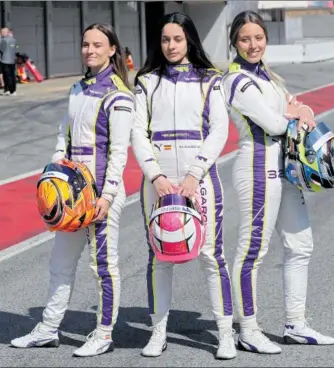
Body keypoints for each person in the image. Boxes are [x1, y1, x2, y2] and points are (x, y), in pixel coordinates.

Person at [10, 23, 134, 357]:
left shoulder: (120, 95)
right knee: (60, 264)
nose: (90, 50)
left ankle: (104, 333)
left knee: (103, 267)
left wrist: (107, 197)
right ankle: (48, 329)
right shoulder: (77, 89)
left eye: (97, 45)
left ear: (112, 50)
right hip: (70, 195)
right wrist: (52, 178)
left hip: (101, 197)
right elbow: (62, 139)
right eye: (85, 44)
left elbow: (120, 152)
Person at [220, 10, 334, 354]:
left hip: (284, 169)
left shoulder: (268, 76)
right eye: (245, 39)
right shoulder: (237, 80)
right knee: (252, 249)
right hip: (256, 167)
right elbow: (273, 123)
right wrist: (297, 114)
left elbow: (293, 106)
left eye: (258, 38)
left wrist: (301, 110)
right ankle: (248, 329)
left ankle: (295, 324)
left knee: (301, 245)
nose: (253, 44)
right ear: (234, 42)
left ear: (266, 39)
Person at [131, 12, 236, 360]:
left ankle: (224, 333)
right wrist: (155, 176)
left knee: (211, 255)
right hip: (156, 182)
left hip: (200, 179)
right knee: (159, 257)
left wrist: (194, 174)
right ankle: (157, 332)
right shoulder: (146, 81)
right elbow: (138, 132)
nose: (171, 45)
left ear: (189, 39)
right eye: (165, 39)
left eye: (177, 39)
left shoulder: (210, 80)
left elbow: (219, 130)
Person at [0, 27, 17, 96]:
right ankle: (13, 89)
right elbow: (15, 48)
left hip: (5, 60)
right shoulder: (13, 40)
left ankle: (9, 90)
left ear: (5, 33)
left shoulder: (4, 40)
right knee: (12, 75)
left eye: (2, 32)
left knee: (7, 76)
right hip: (12, 60)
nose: (1, 34)